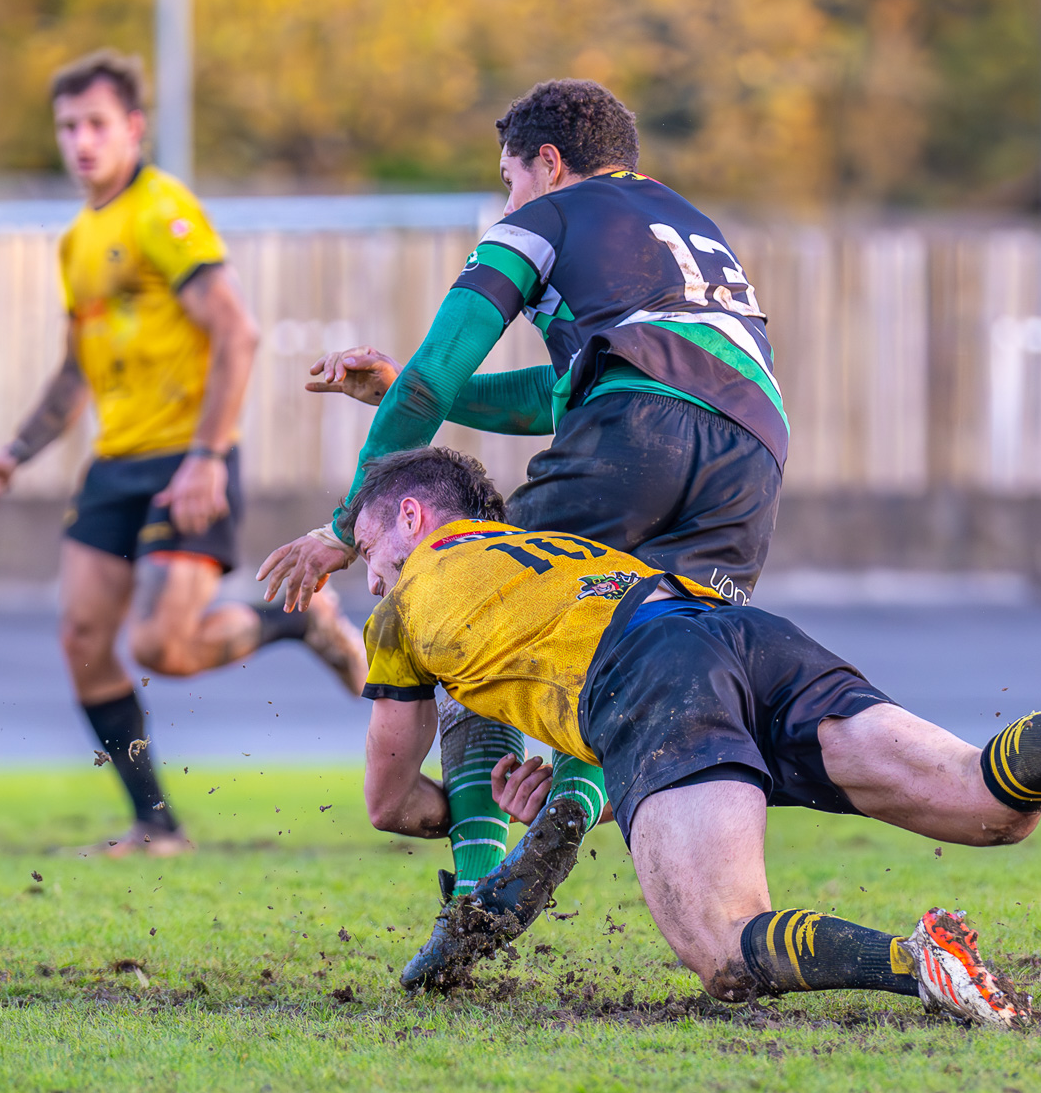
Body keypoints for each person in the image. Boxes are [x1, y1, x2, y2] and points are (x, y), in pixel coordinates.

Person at [348, 447, 1041, 1019]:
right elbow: (622, 703)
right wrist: (587, 774)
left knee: (723, 947)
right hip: (728, 628)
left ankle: (919, 962)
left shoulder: (403, 608)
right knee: (986, 803)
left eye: (366, 553)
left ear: (414, 520)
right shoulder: (543, 554)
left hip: (650, 678)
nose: (370, 580)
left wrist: (470, 816)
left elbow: (389, 801)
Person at [259, 78, 785, 931]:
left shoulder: (544, 219)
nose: (507, 201)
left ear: (548, 162)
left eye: (509, 180)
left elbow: (434, 378)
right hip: (753, 454)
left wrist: (344, 526)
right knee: (638, 649)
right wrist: (403, 383)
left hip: (634, 432)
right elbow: (563, 390)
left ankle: (474, 890)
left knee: (465, 617)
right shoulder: (689, 224)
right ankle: (574, 800)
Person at [0, 49, 366, 857]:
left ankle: (299, 624)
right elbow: (76, 367)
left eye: (96, 124)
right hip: (115, 464)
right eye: (67, 127)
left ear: (134, 128)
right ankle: (156, 826)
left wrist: (207, 458)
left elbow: (237, 331)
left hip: (186, 459)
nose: (81, 141)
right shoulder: (78, 240)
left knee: (161, 648)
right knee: (83, 639)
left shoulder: (161, 210)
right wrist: (15, 451)